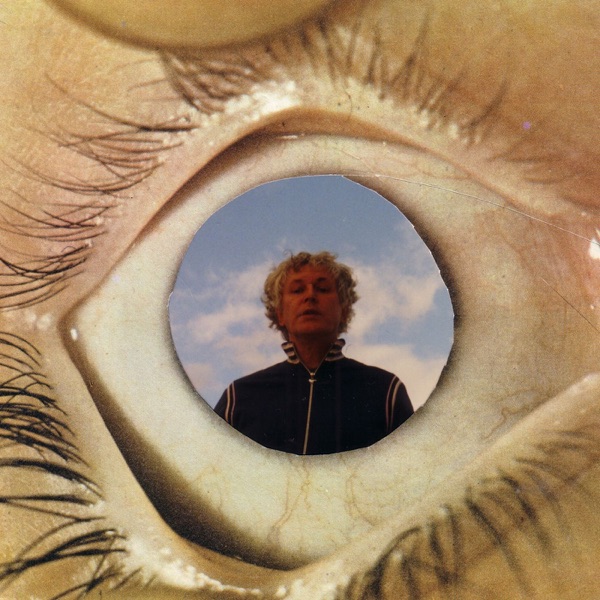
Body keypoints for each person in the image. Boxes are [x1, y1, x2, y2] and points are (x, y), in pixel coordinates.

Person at [215, 251, 413, 454]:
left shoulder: (386, 392)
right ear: (280, 314)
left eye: (323, 289)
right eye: (297, 290)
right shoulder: (237, 398)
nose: (310, 296)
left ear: (344, 311)